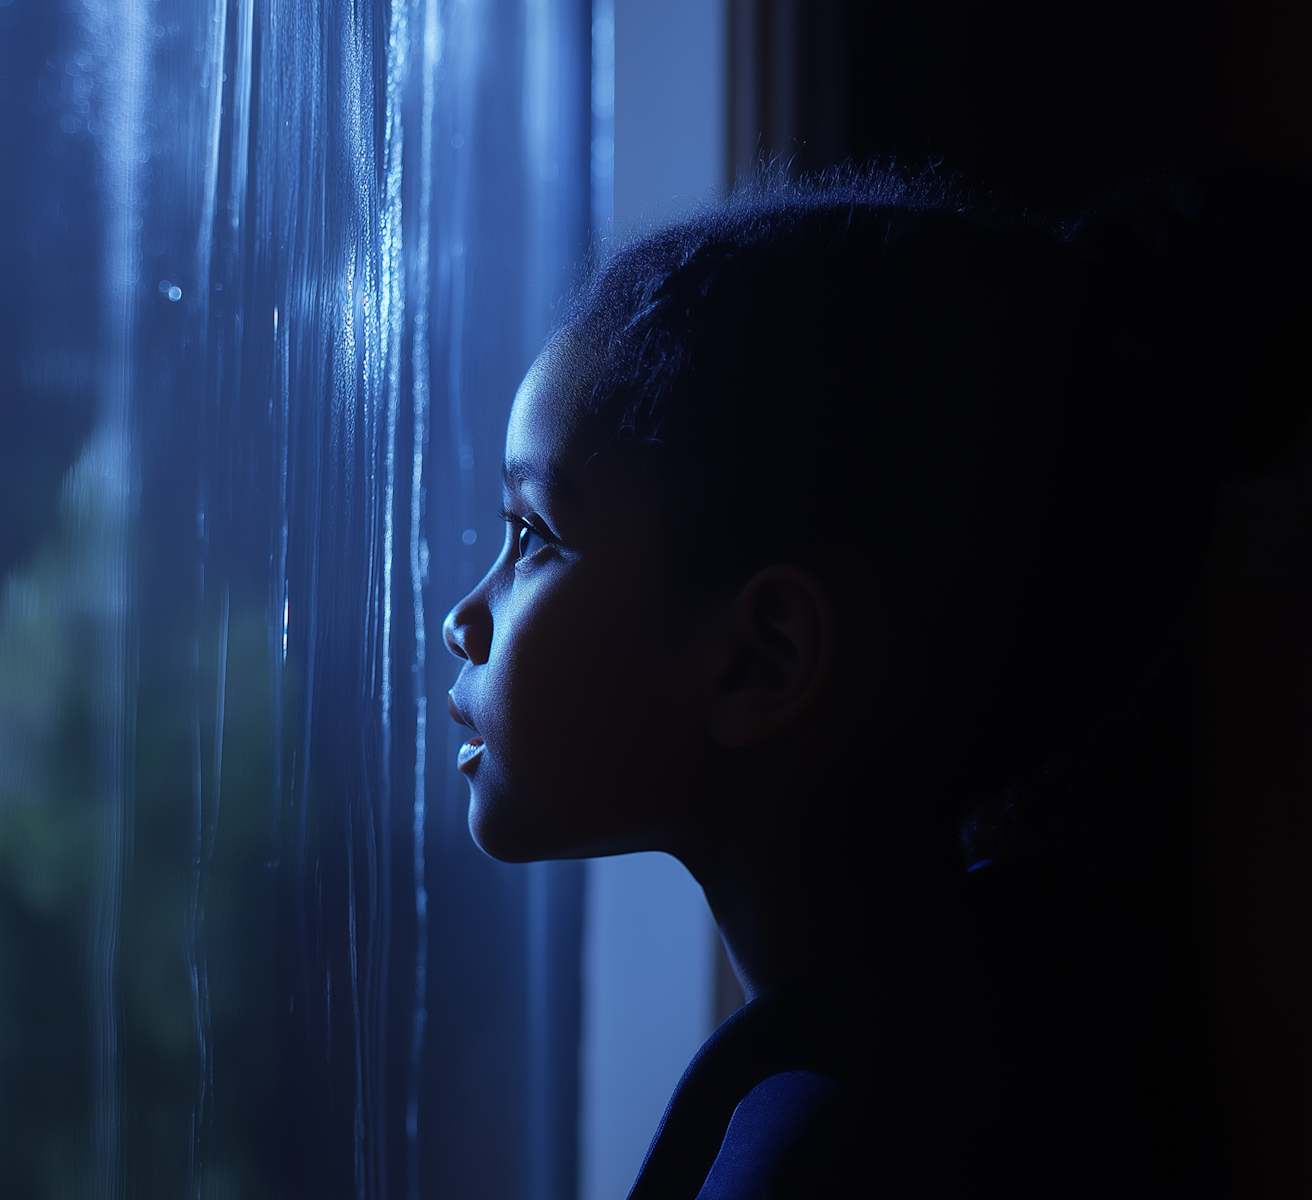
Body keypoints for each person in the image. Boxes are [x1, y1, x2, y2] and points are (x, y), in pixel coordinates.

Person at [442, 168, 1311, 1196]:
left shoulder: (825, 1155)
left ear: (765, 656)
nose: (466, 618)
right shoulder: (1020, 1013)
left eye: (534, 536)